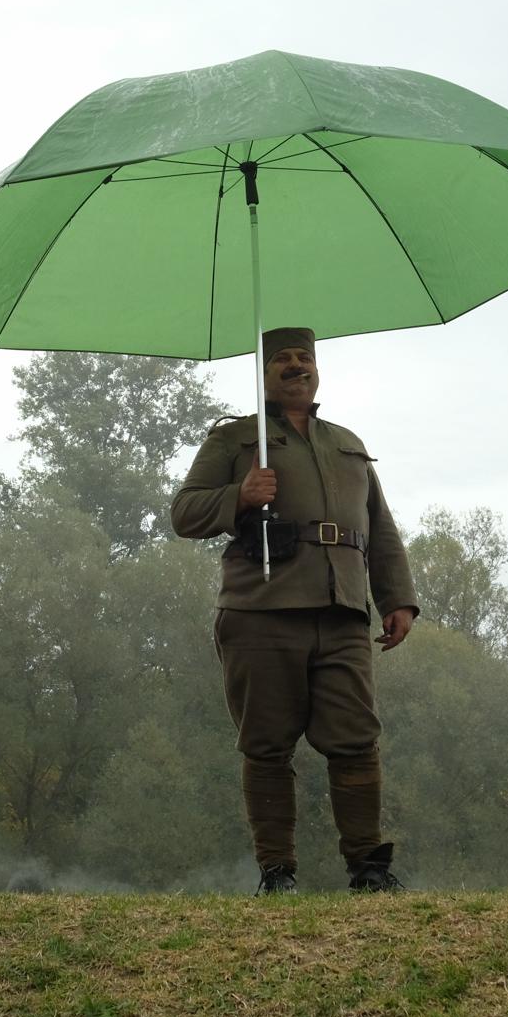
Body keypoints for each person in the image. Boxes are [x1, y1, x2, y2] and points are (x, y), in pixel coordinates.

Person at [170, 327, 420, 895]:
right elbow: (183, 513)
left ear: (317, 370)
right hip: (261, 610)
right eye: (281, 359)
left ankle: (369, 869)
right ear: (264, 373)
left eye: (303, 358)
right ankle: (277, 871)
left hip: (341, 612)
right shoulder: (237, 441)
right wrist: (238, 494)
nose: (293, 366)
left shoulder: (346, 442)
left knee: (356, 737)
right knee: (266, 742)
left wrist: (398, 599)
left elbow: (378, 527)